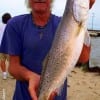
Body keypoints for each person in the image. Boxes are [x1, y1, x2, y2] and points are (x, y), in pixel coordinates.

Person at [0, 0, 95, 100]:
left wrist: (82, 25)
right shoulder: (15, 24)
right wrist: (30, 76)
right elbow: (13, 67)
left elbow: (83, 58)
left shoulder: (63, 24)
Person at [0, 13, 11, 79]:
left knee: (2, 60)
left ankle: (4, 74)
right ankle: (11, 73)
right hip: (9, 45)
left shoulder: (0, 25)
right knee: (11, 61)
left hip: (1, 45)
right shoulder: (11, 26)